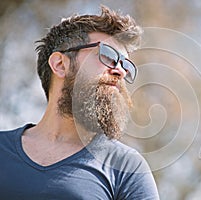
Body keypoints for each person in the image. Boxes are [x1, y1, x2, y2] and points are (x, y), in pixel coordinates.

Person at [0, 5, 159, 200]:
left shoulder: (127, 168)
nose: (120, 71)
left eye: (126, 65)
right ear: (60, 64)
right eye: (108, 55)